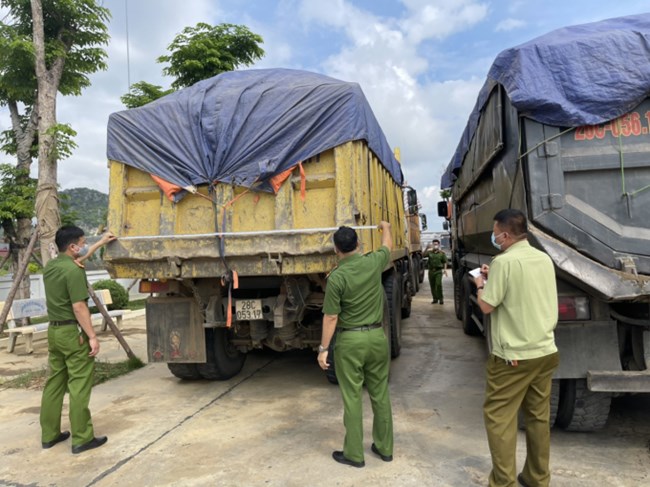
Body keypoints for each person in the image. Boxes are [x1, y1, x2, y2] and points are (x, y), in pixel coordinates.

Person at [473, 209, 559, 487]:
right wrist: (494, 274)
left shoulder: (503, 262)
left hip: (513, 357)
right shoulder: (543, 258)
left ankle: (503, 483)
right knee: (537, 417)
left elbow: (487, 305)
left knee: (500, 418)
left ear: (506, 235)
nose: (494, 237)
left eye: (496, 232)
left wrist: (479, 285)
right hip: (545, 351)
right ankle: (537, 477)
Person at [317, 221, 394, 468]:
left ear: (336, 250)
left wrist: (323, 349)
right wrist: (386, 228)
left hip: (350, 341)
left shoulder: (337, 278)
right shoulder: (373, 263)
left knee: (352, 397)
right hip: (377, 338)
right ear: (359, 245)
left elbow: (330, 317)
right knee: (380, 393)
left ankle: (354, 454)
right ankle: (384, 448)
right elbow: (386, 247)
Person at [40, 225, 116, 454]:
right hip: (73, 334)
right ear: (72, 246)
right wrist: (92, 336)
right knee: (79, 386)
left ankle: (49, 435)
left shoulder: (52, 267)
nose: (83, 246)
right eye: (81, 242)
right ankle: (82, 438)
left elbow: (78, 258)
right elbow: (79, 306)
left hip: (54, 332)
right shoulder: (74, 271)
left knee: (54, 383)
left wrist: (98, 244)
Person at [425, 239, 447, 304]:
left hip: (438, 271)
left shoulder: (441, 253)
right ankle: (435, 299)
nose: (435, 245)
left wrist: (445, 270)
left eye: (436, 244)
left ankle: (441, 298)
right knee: (432, 285)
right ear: (432, 245)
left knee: (438, 284)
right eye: (434, 244)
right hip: (431, 271)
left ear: (439, 245)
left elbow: (445, 262)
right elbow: (423, 255)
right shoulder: (429, 252)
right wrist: (427, 248)